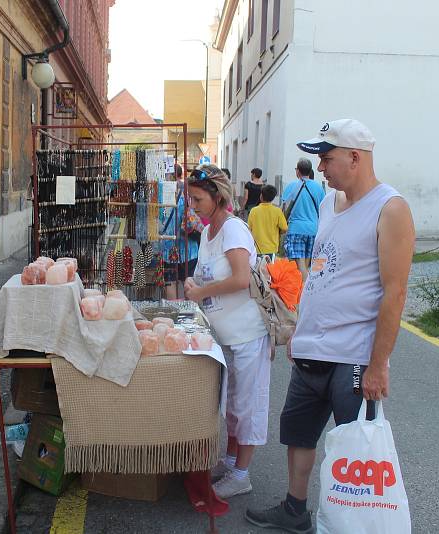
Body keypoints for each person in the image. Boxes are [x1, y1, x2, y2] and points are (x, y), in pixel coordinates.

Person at [244, 119, 415, 532]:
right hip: (311, 350)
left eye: (327, 157)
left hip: (353, 356)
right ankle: (295, 509)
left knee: (355, 450)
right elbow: (320, 273)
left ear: (355, 158)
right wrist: (300, 330)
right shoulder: (326, 203)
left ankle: (354, 522)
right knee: (299, 435)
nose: (321, 166)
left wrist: (378, 365)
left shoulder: (390, 209)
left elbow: (395, 294)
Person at [183, 164, 272, 501]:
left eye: (197, 199)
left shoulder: (234, 230)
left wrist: (203, 293)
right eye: (191, 199)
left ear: (217, 197)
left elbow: (241, 279)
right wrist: (195, 284)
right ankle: (232, 461)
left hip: (247, 333)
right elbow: (206, 275)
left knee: (247, 404)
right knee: (232, 403)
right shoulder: (208, 234)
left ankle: (242, 475)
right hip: (224, 337)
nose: (193, 206)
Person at [280, 158, 324, 282]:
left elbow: (284, 208)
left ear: (297, 171)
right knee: (307, 263)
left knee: (299, 264)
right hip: (313, 229)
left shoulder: (291, 186)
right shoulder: (318, 188)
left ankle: (304, 290)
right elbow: (322, 210)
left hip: (296, 229)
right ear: (310, 171)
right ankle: (306, 288)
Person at [162, 164, 201, 298]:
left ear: (169, 174)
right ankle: (190, 314)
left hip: (168, 246)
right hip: (188, 246)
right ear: (180, 173)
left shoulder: (162, 191)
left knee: (170, 282)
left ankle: (173, 314)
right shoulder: (189, 190)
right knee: (189, 282)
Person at [247, 184, 287, 260]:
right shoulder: (277, 211)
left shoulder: (254, 211)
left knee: (258, 270)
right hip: (272, 248)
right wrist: (278, 232)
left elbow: (249, 229)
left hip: (257, 248)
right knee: (269, 270)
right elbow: (284, 228)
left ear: (261, 196)